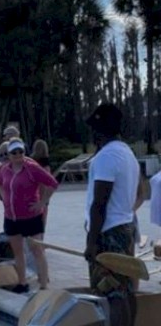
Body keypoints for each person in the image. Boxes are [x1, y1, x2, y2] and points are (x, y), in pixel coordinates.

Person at [84, 103, 139, 326]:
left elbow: (99, 203)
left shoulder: (106, 157)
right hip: (125, 227)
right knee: (125, 289)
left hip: (108, 232)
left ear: (100, 131)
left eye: (95, 130)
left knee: (112, 292)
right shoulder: (127, 153)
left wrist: (92, 241)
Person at [0, 137, 58, 293]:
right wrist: (4, 200)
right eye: (14, 152)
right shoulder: (4, 169)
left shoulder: (31, 168)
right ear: (9, 154)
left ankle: (44, 284)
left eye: (20, 151)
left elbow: (52, 183)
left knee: (36, 249)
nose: (17, 154)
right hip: (12, 217)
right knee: (17, 252)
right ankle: (22, 282)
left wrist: (42, 202)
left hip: (30, 216)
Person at [31, 139, 51, 229]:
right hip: (43, 198)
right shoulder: (46, 166)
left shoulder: (30, 164)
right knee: (41, 225)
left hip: (31, 197)